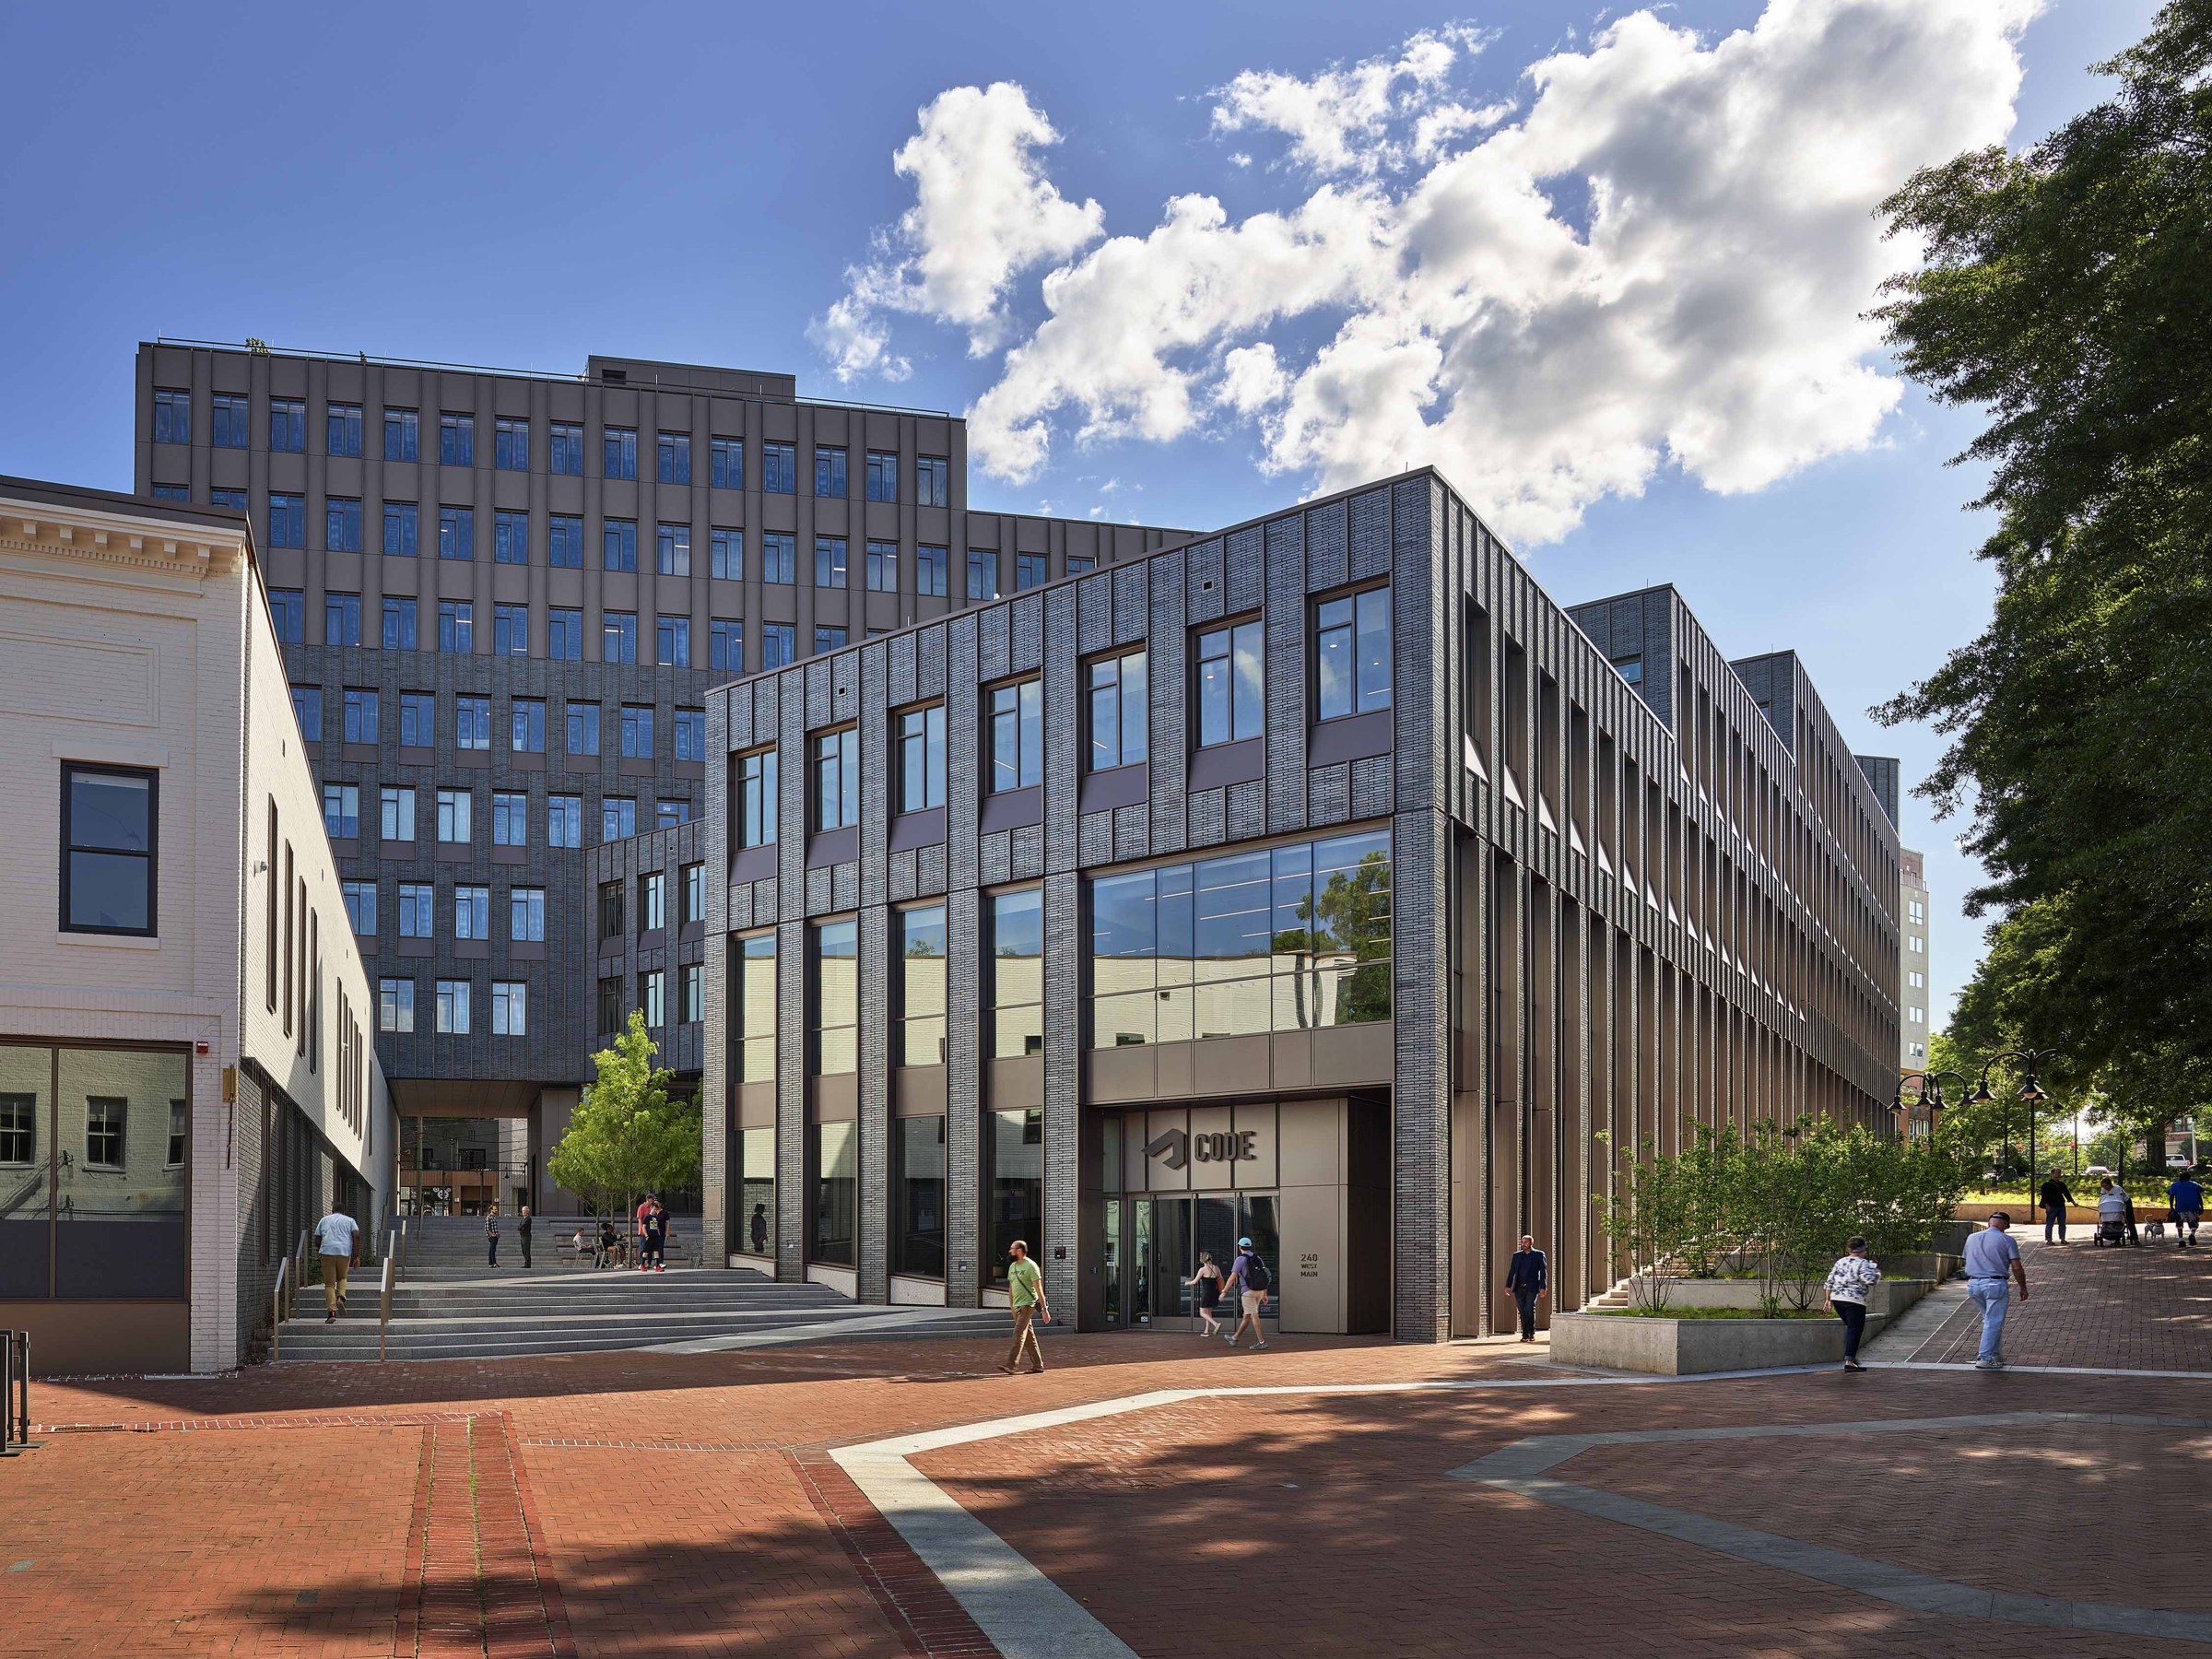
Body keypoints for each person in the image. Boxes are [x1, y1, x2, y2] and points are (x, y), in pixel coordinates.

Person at [1962, 1211, 2028, 1371]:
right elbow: (2016, 1266)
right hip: (1995, 1284)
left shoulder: (1972, 1238)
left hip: (1973, 1284)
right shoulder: (2007, 1240)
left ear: (1988, 1222)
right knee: (1994, 1321)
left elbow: (1966, 1258)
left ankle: (1994, 1354)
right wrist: (2023, 1287)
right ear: (2006, 1225)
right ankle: (1984, 1357)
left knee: (1989, 1320)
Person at [1823, 1236, 1881, 1372]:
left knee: (1852, 1328)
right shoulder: (1863, 1263)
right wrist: (1877, 1273)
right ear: (1863, 1249)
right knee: (1855, 1329)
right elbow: (1870, 1280)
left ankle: (1851, 1358)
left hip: (1837, 1299)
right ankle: (1849, 1361)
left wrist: (1828, 1299)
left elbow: (1829, 1281)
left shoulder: (1840, 1262)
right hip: (1854, 1301)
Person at [999, 1240, 1051, 1374]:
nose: (1010, 1252)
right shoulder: (1012, 1267)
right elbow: (1011, 1288)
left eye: (1012, 1249)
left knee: (1018, 1334)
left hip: (1028, 1305)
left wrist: (1044, 1310)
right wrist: (1011, 1306)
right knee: (1029, 1337)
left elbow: (1039, 1289)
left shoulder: (1031, 1266)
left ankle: (1011, 1365)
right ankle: (1038, 1365)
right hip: (1016, 1306)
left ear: (1020, 1251)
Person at [1221, 1236, 1272, 1351]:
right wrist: (1265, 1293)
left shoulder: (1240, 1259)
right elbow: (1264, 1276)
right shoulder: (1258, 1258)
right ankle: (1235, 1338)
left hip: (1248, 1291)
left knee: (1254, 1315)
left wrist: (1224, 1291)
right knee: (1247, 1315)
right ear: (1250, 1247)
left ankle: (1261, 1342)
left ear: (1240, 1247)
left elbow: (1233, 1277)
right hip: (1259, 1290)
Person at [313, 1205, 361, 1325]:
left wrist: (322, 1249)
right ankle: (340, 1297)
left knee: (329, 1284)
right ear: (344, 1211)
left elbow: (317, 1239)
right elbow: (356, 1236)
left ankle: (332, 1312)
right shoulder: (350, 1220)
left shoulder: (324, 1220)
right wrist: (357, 1256)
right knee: (342, 1278)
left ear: (332, 1210)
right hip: (344, 1253)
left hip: (327, 1252)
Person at [1505, 1235, 1548, 1343]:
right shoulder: (1517, 1256)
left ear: (1531, 1243)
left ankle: (1531, 1332)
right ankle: (1525, 1334)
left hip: (1532, 1287)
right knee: (1522, 1310)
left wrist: (1543, 1287)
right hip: (1519, 1287)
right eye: (1522, 1242)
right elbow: (1512, 1271)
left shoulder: (1539, 1255)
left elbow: (1543, 1272)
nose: (1523, 1244)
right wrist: (1508, 1286)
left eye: (1526, 1242)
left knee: (1529, 1309)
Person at [1183, 1252, 1225, 1336]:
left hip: (1206, 1292)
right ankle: (1206, 1331)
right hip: (1214, 1292)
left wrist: (1187, 1283)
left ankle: (1215, 1324)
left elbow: (1195, 1282)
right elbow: (1221, 1279)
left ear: (1202, 1260)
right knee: (1208, 1311)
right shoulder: (1216, 1268)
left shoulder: (1202, 1270)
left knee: (1202, 1312)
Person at [2168, 1169, 2205, 1249]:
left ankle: (2181, 1240)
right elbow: (2199, 1196)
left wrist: (2171, 1207)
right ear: (2189, 1178)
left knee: (2179, 1223)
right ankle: (2192, 1234)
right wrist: (2201, 1206)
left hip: (2180, 1207)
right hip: (2193, 1206)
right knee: (2194, 1223)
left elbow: (2171, 1195)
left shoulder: (2174, 1185)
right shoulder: (2194, 1184)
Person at [2039, 1172, 2076, 1244]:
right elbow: (2044, 1196)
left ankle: (2062, 1238)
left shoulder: (2062, 1184)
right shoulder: (2046, 1185)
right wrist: (2047, 1205)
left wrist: (2073, 1202)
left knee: (2062, 1223)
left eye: (2059, 1173)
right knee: (2050, 1224)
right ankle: (2049, 1240)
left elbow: (2066, 1193)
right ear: (2052, 1174)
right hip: (2051, 1206)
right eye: (2057, 1172)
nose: (2058, 1174)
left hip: (2061, 1206)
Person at [641, 1198, 668, 1272]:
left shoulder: (656, 1218)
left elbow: (657, 1227)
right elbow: (643, 1227)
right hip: (649, 1236)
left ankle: (657, 1265)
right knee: (646, 1251)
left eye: (656, 1210)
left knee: (656, 1251)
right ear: (651, 1208)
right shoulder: (647, 1217)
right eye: (654, 1209)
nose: (655, 1211)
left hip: (656, 1236)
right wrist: (646, 1235)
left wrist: (658, 1234)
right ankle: (642, 1264)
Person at [485, 1200, 500, 1268]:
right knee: (492, 1249)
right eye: (495, 1209)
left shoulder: (493, 1217)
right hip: (492, 1236)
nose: (496, 1210)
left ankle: (491, 1263)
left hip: (496, 1236)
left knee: (492, 1249)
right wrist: (492, 1235)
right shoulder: (489, 1217)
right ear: (491, 1210)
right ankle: (493, 1263)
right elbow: (487, 1228)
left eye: (496, 1209)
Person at [518, 1204, 534, 1269]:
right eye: (522, 1211)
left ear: (527, 1211)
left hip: (526, 1236)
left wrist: (521, 1227)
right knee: (523, 1250)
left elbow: (523, 1226)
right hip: (522, 1236)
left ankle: (527, 1264)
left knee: (526, 1250)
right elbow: (519, 1227)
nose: (523, 1212)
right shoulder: (522, 1219)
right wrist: (521, 1227)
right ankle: (526, 1262)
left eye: (524, 1211)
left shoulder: (528, 1219)